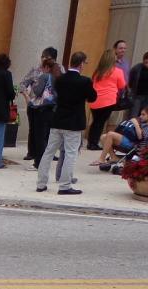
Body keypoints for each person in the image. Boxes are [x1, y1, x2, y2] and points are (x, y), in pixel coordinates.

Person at [37, 51, 95, 194]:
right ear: (81, 64)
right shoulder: (85, 81)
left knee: (49, 151)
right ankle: (64, 185)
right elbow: (92, 97)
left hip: (58, 119)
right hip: (74, 122)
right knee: (70, 154)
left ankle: (41, 183)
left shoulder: (60, 79)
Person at [19, 47, 58, 165]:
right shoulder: (35, 70)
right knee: (34, 129)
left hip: (49, 105)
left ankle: (47, 152)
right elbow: (23, 84)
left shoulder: (58, 70)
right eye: (43, 56)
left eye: (47, 57)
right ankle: (32, 152)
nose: (44, 59)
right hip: (34, 104)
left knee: (48, 130)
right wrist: (27, 97)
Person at [88, 49, 126, 149]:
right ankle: (94, 143)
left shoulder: (97, 71)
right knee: (100, 123)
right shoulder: (118, 71)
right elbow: (122, 85)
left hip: (95, 100)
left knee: (96, 122)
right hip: (108, 100)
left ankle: (91, 142)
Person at [130, 51, 148, 118]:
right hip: (137, 96)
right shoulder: (137, 68)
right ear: (143, 61)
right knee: (134, 115)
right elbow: (130, 78)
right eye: (146, 62)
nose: (147, 64)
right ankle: (132, 128)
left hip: (147, 98)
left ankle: (142, 128)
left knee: (145, 116)